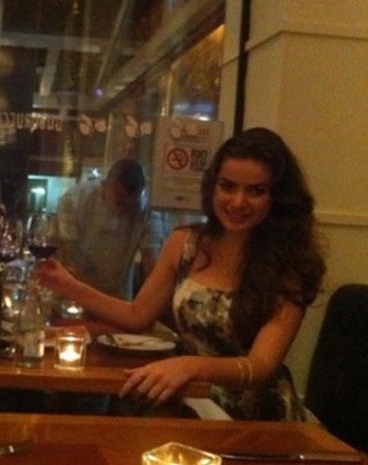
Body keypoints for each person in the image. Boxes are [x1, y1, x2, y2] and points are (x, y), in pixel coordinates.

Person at [37, 128, 326, 421]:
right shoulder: (185, 244)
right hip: (191, 402)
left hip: (259, 419)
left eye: (256, 191)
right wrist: (67, 285)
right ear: (212, 187)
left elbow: (261, 367)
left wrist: (190, 366)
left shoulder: (291, 263)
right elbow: (137, 315)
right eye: (227, 186)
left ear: (277, 198)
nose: (238, 202)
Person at [56, 158, 147, 299]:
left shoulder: (145, 208)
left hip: (118, 298)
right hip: (74, 293)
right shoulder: (73, 201)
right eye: (119, 203)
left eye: (131, 206)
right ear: (104, 185)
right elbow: (70, 257)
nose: (123, 211)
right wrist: (108, 297)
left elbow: (152, 258)